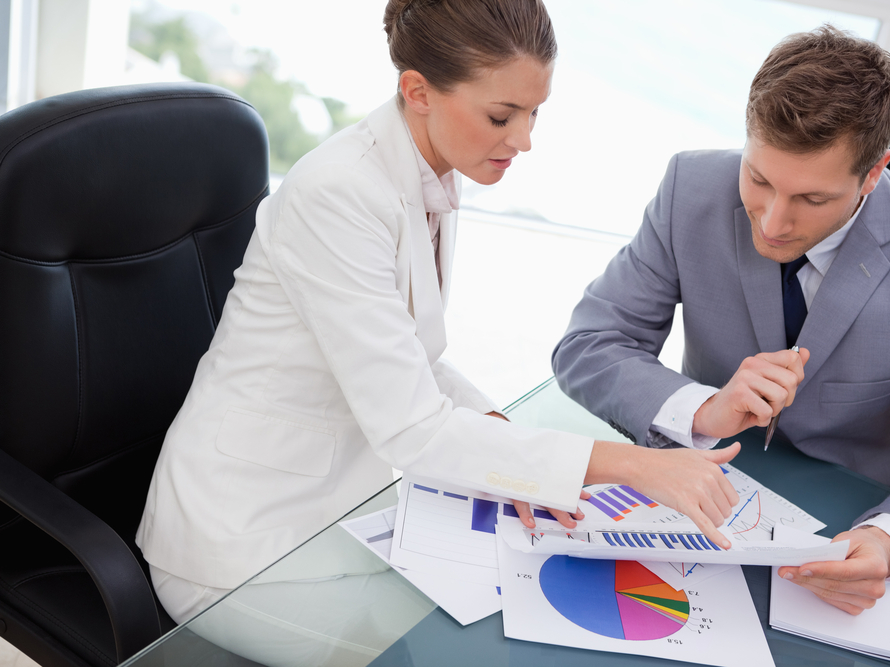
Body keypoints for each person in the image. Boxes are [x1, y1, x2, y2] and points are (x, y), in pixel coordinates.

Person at [135, 1, 741, 662]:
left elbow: (410, 356)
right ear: (418, 91)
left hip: (338, 512)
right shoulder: (337, 193)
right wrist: (633, 464)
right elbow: (412, 426)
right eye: (501, 116)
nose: (524, 139)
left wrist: (515, 456)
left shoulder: (430, 169)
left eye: (535, 113)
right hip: (238, 546)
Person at [553, 25, 890, 616]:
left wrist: (889, 542)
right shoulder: (690, 188)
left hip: (847, 517)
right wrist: (704, 409)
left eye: (812, 200)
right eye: (759, 180)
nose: (771, 223)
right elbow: (590, 344)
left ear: (873, 173)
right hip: (699, 500)